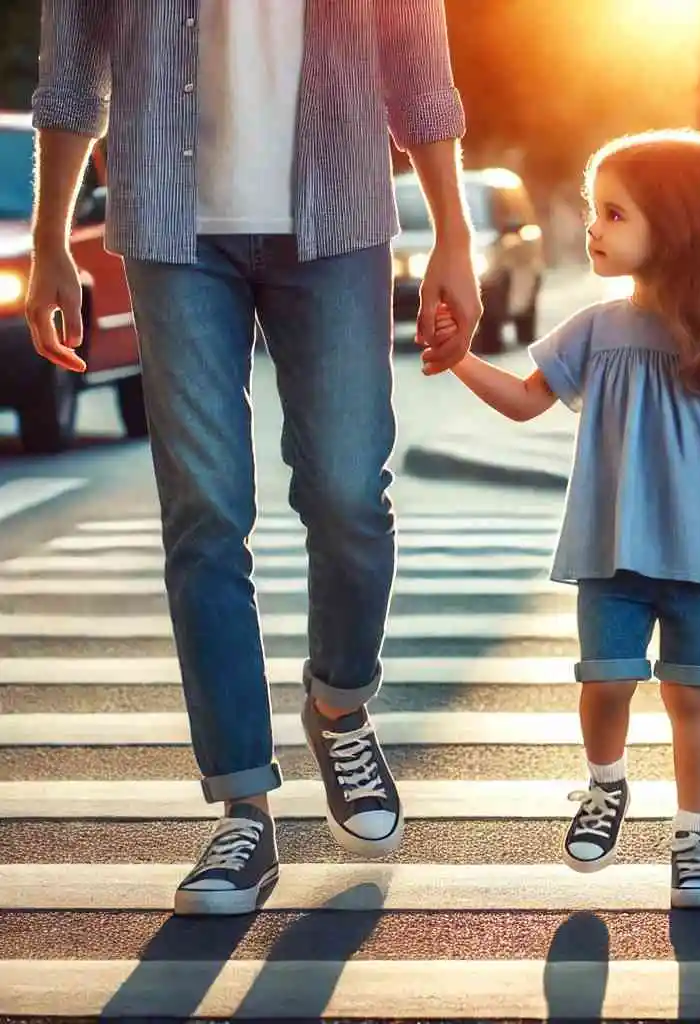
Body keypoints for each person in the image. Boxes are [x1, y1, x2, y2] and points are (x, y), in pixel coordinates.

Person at [25, 1, 482, 916]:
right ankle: (242, 806)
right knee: (204, 515)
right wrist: (49, 240)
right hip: (170, 227)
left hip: (339, 215)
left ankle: (340, 704)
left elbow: (417, 63)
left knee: (350, 492)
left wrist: (453, 233)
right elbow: (74, 64)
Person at [425, 129, 700, 908]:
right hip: (611, 554)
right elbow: (529, 401)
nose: (592, 229)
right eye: (592, 211)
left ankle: (694, 841)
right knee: (605, 684)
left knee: (690, 698)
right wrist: (460, 360)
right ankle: (605, 786)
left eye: (613, 213)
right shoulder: (596, 329)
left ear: (675, 225)